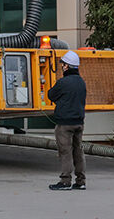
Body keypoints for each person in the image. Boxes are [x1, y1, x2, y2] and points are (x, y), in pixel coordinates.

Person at [48, 50, 87, 190]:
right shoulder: (82, 82)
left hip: (64, 124)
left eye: (63, 64)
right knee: (78, 152)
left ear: (67, 66)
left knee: (65, 152)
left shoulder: (63, 82)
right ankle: (81, 181)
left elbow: (51, 95)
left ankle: (65, 181)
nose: (62, 66)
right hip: (79, 122)